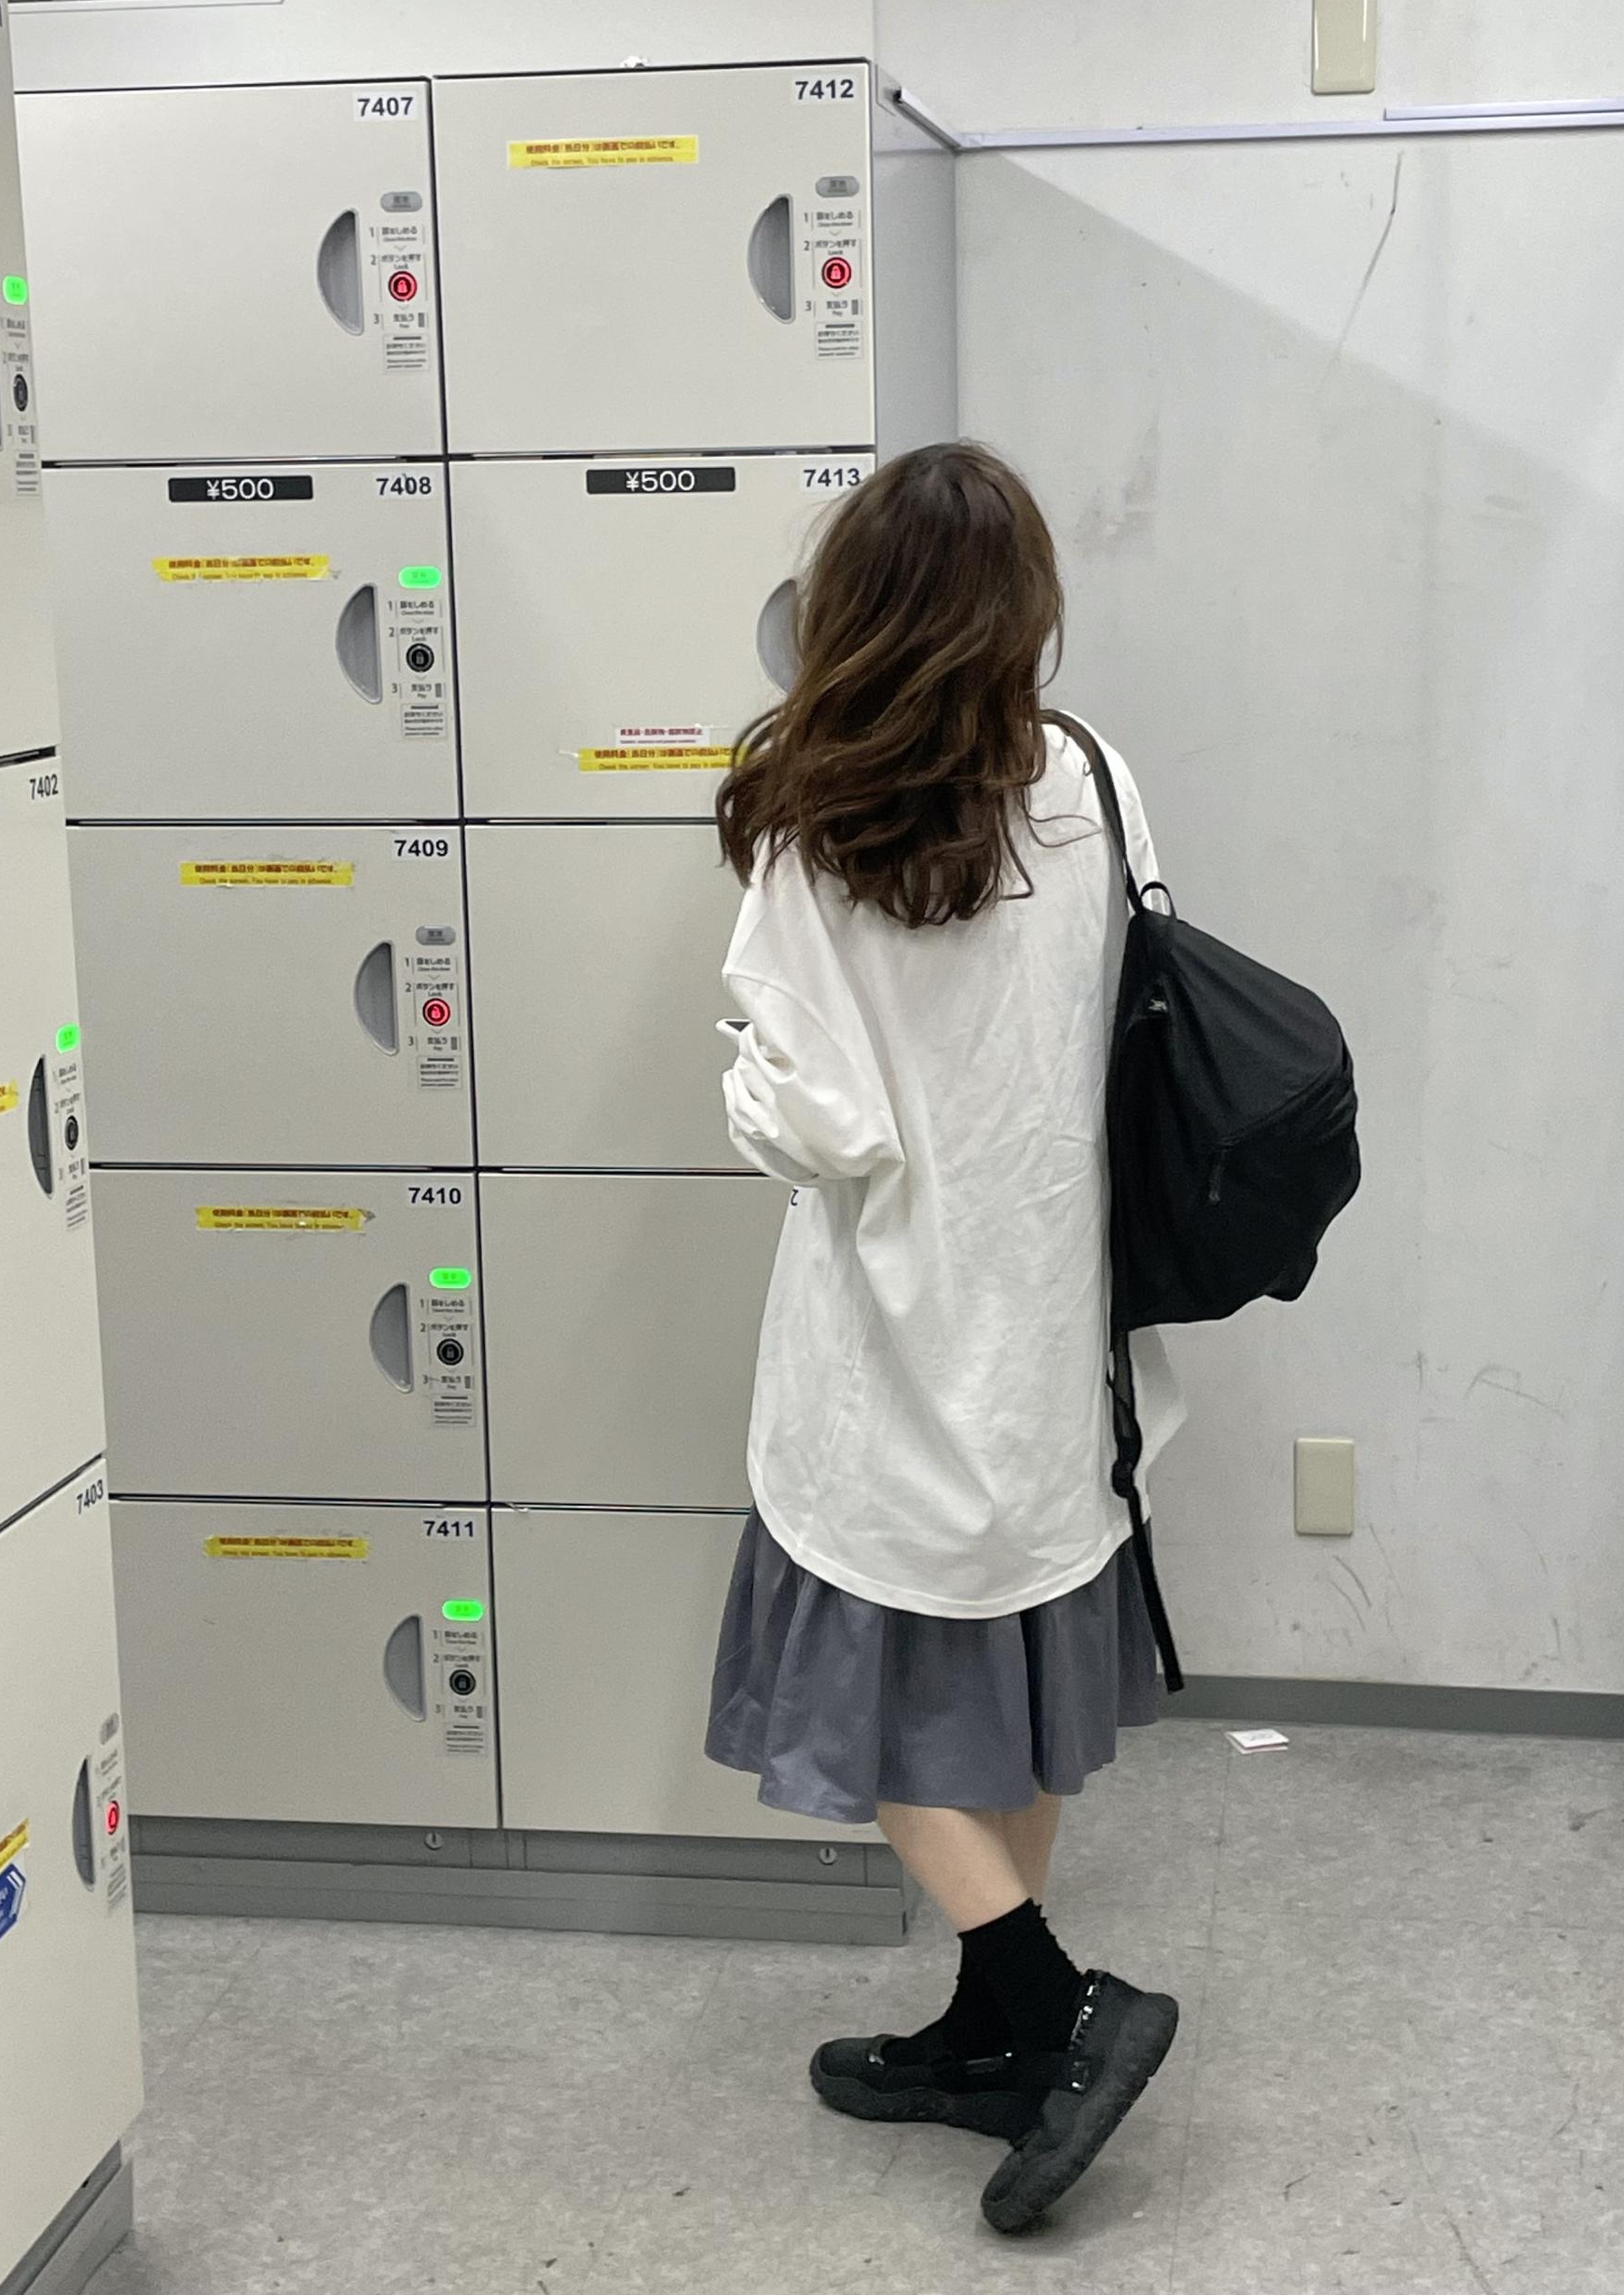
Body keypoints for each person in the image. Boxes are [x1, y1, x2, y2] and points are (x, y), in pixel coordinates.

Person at [705, 440, 1187, 2238]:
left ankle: (1059, 2011)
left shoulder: (812, 821)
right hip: (1057, 1328)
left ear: (855, 606)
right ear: (1021, 609)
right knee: (1009, 1697)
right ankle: (996, 2036)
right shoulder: (1094, 781)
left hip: (891, 1345)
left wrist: (744, 1078)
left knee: (890, 1703)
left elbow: (817, 1127)